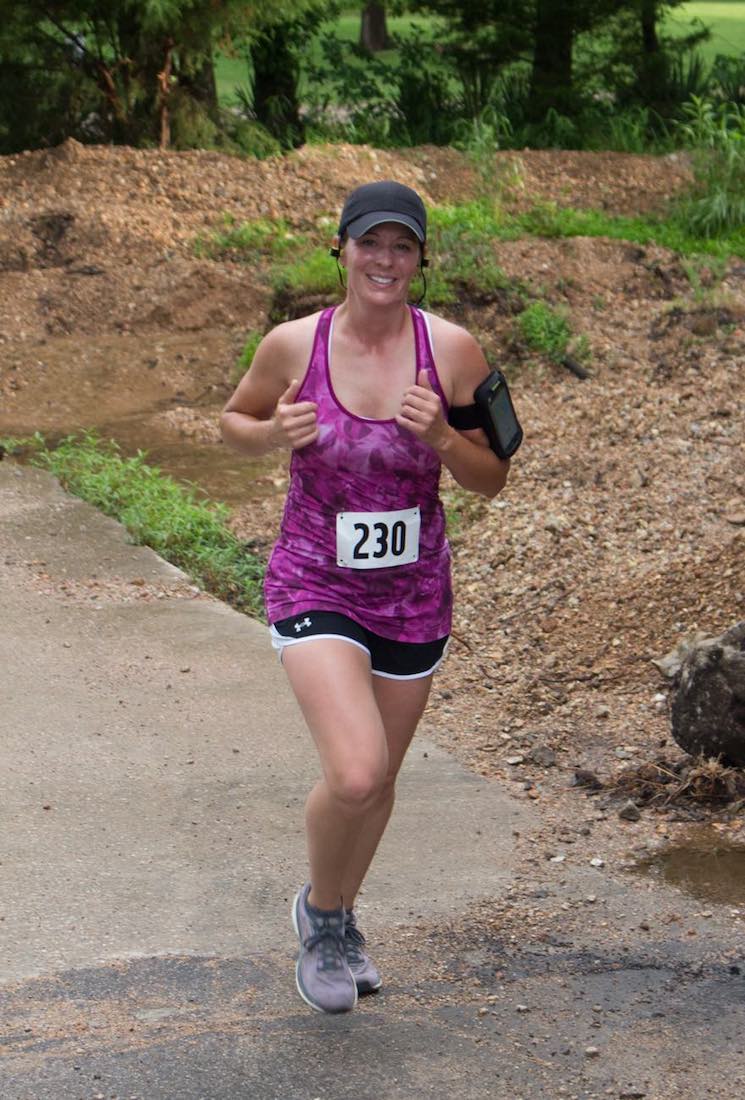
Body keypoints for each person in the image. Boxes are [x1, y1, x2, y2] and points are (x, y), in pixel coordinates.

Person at [220, 180, 511, 1014]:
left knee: (378, 782)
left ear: (420, 260)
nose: (384, 260)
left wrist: (442, 436)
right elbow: (231, 423)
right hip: (313, 579)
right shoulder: (293, 345)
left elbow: (491, 478)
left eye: (402, 246)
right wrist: (272, 433)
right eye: (369, 243)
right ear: (341, 250)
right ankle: (319, 916)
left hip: (412, 595)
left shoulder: (452, 352)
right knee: (354, 773)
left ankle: (343, 920)